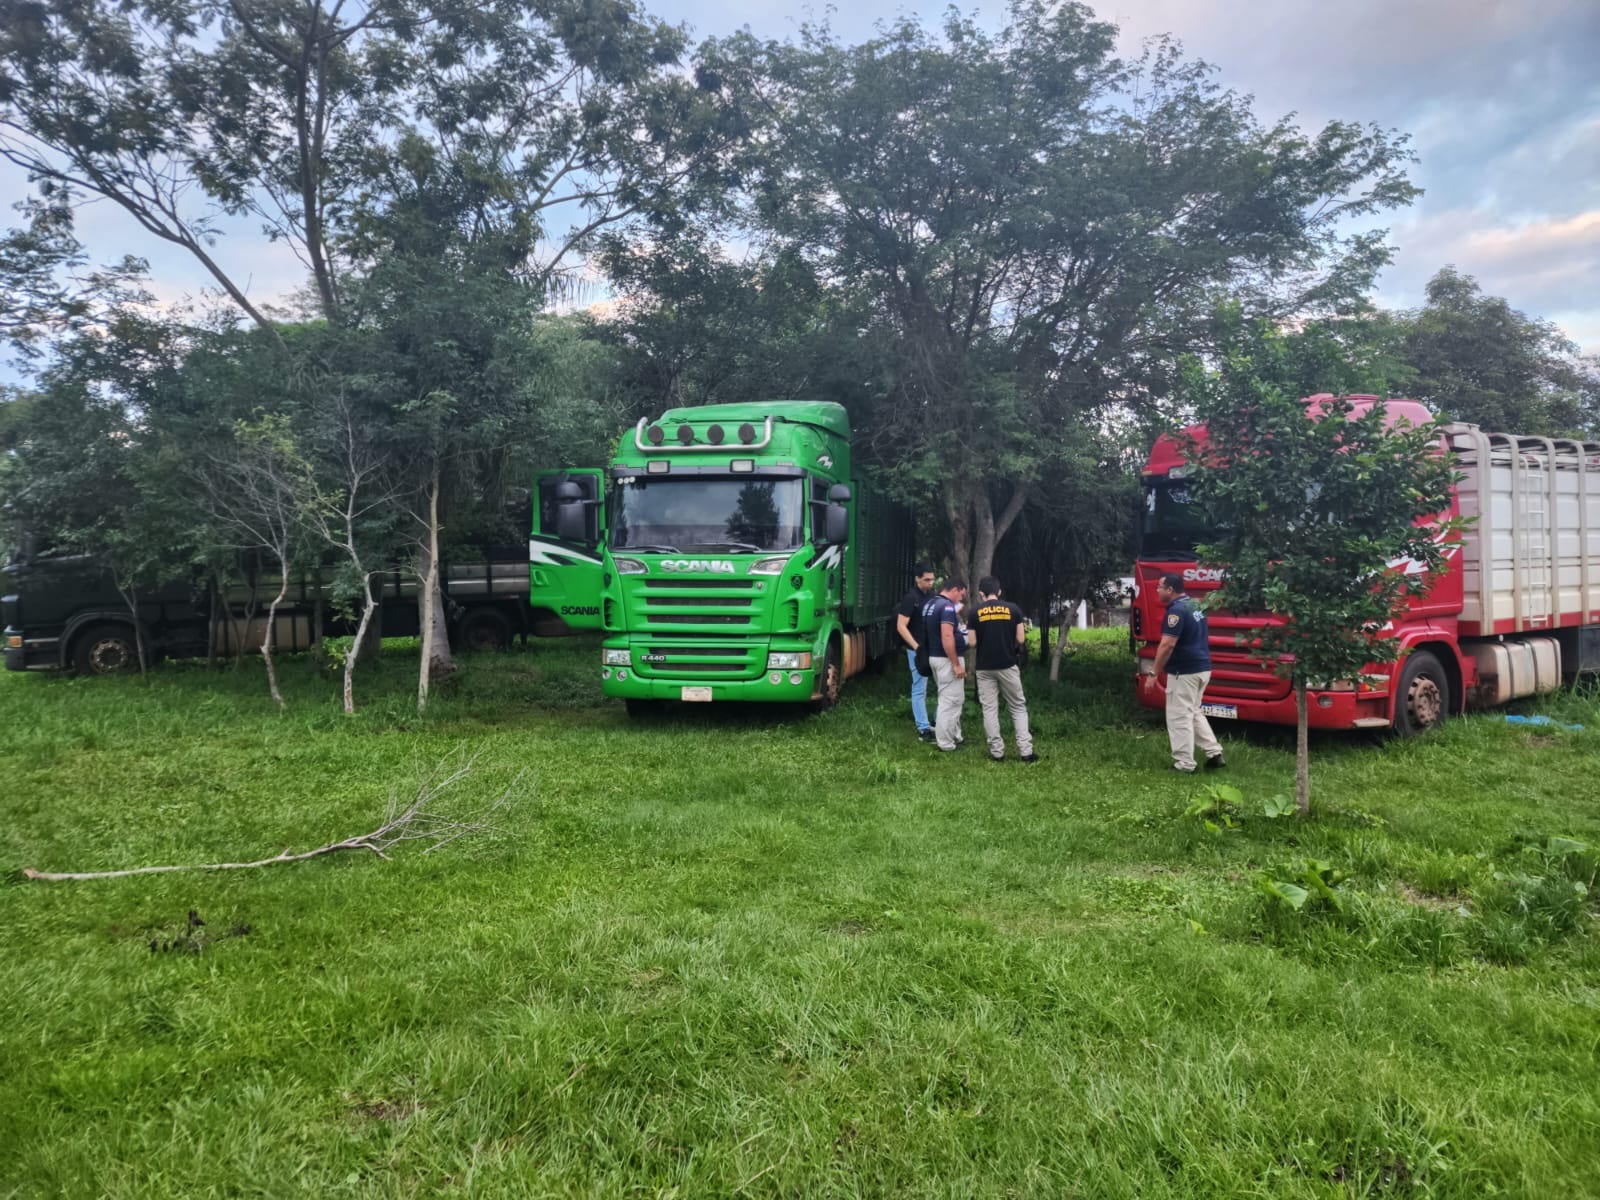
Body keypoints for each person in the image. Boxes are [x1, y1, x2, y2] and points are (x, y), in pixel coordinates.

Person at [1144, 572, 1225, 772]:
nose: (1157, 591)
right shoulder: (1195, 605)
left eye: (1160, 587)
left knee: (1179, 715)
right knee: (1194, 711)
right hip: (1202, 668)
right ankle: (1214, 753)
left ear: (1170, 590)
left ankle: (1184, 764)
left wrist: (1153, 673)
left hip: (1185, 672)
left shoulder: (1176, 611)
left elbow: (1167, 645)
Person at [971, 576, 1037, 762]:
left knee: (990, 709)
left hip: (984, 667)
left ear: (981, 594)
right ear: (999, 592)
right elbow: (1021, 639)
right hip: (1008, 665)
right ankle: (1026, 751)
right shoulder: (1013, 609)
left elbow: (972, 642)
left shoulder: (975, 612)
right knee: (1017, 707)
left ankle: (997, 752)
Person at [922, 577, 969, 751]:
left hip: (934, 657)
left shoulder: (930, 604)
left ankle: (955, 735)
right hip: (947, 659)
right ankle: (945, 743)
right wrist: (956, 663)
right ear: (955, 589)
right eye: (961, 595)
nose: (960, 599)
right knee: (951, 701)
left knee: (948, 697)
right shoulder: (947, 607)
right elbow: (947, 636)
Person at [894, 563, 939, 742]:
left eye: (932, 579)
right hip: (917, 650)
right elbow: (901, 626)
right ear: (917, 578)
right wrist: (916, 647)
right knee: (919, 688)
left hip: (933, 649)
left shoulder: (933, 595)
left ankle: (937, 722)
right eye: (926, 580)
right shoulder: (910, 598)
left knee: (942, 686)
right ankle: (923, 728)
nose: (930, 583)